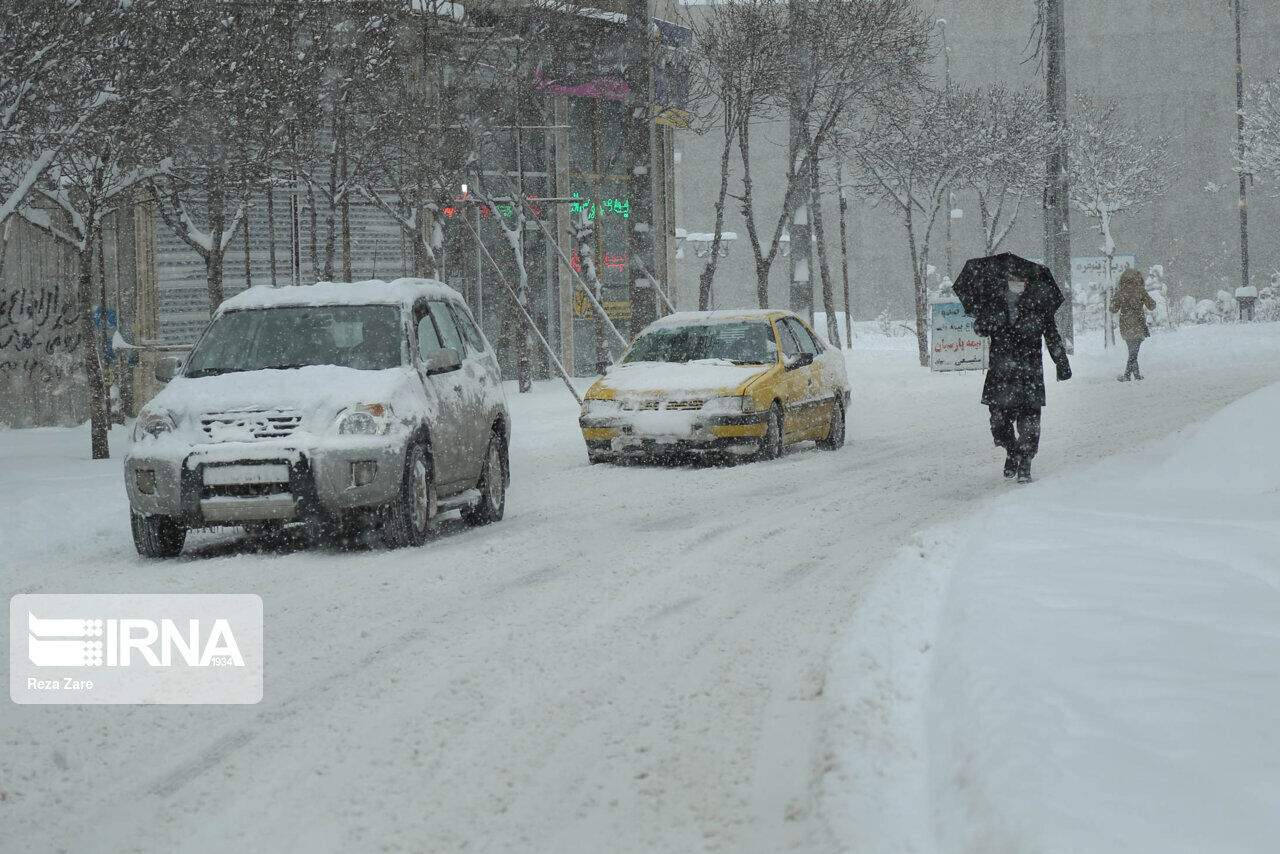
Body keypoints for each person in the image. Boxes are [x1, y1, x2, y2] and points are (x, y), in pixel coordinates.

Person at [973, 274, 1071, 484]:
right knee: (998, 424)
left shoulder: (1039, 305)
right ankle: (1011, 450)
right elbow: (980, 329)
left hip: (1029, 374)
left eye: (1021, 280)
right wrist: (985, 314)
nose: (1017, 283)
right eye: (1013, 279)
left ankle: (1025, 461)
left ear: (1028, 283)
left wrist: (1061, 362)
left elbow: (1052, 335)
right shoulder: (995, 303)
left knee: (1030, 424)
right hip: (1000, 374)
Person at [1110, 268, 1156, 381]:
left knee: (1132, 351)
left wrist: (1114, 298)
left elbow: (1113, 309)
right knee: (1134, 351)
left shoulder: (1120, 292)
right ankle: (1131, 375)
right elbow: (1152, 305)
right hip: (1139, 323)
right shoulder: (1140, 290)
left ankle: (1132, 375)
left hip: (1125, 324)